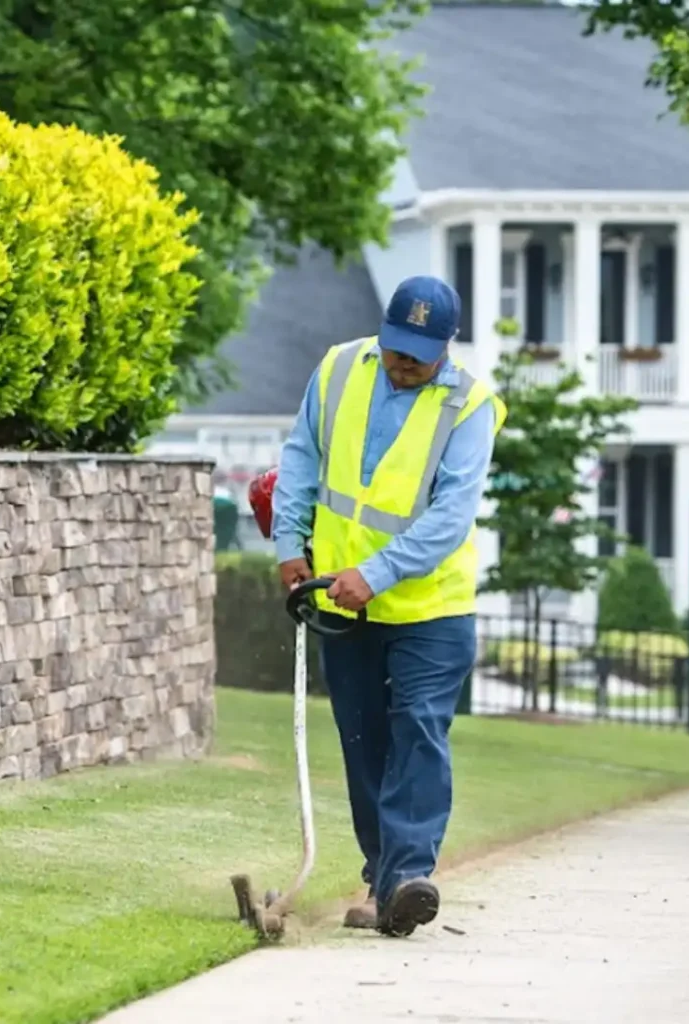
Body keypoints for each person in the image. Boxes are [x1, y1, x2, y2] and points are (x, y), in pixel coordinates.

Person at [271, 274, 507, 938]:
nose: (404, 364)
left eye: (418, 354)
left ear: (446, 348)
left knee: (419, 733)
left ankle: (407, 878)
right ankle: (383, 882)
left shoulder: (472, 408)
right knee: (363, 742)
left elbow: (450, 519)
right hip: (342, 604)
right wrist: (292, 543)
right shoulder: (339, 369)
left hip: (431, 609)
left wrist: (374, 574)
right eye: (397, 347)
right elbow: (301, 458)